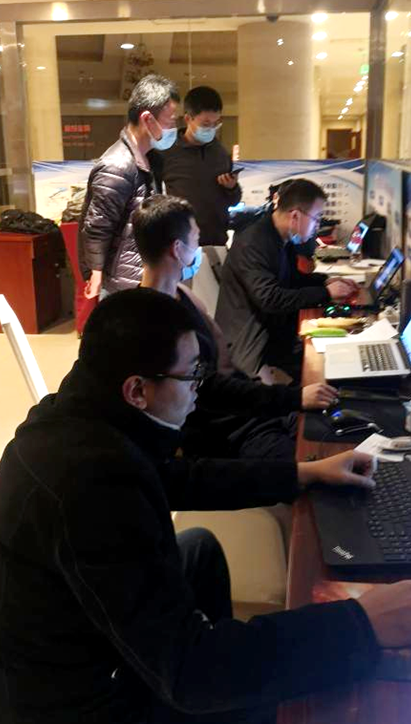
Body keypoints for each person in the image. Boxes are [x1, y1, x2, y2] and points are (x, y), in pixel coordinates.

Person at [0, 288, 411, 724]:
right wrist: (360, 623)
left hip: (54, 635)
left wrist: (302, 473)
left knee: (199, 551)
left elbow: (176, 478)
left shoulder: (80, 415)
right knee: (267, 689)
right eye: (190, 377)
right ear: (136, 390)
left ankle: (220, 663)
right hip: (65, 702)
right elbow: (190, 674)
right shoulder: (93, 485)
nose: (198, 392)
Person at [134, 194, 337, 460]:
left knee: (328, 424)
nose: (199, 246)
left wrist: (284, 399)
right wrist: (291, 398)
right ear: (177, 249)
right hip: (225, 429)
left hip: (245, 406)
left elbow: (227, 366)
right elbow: (212, 390)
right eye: (196, 238)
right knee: (317, 457)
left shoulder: (182, 296)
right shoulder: (155, 322)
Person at [216, 178, 358, 380]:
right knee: (322, 369)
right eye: (316, 218)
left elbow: (291, 279)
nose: (317, 226)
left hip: (274, 329)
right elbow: (270, 299)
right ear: (295, 216)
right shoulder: (254, 242)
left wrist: (325, 281)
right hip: (250, 340)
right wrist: (325, 294)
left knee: (334, 359)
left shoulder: (281, 236)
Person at [78, 73, 179, 299]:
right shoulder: (117, 165)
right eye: (171, 121)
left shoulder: (151, 158)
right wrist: (95, 273)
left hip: (143, 273)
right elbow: (97, 224)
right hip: (122, 282)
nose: (174, 127)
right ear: (148, 119)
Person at [151, 85, 241, 246]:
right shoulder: (167, 151)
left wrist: (232, 188)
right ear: (188, 119)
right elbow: (151, 199)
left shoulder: (220, 153)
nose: (211, 129)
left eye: (216, 123)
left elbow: (233, 200)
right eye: (206, 124)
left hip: (217, 241)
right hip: (179, 243)